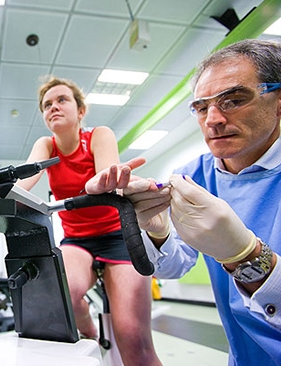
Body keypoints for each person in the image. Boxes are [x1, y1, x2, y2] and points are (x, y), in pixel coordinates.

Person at [86, 39, 281, 366]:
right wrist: (156, 230)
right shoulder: (192, 176)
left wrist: (249, 258)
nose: (213, 119)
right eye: (202, 107)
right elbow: (175, 266)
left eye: (233, 100)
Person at [16, 75, 162, 366]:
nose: (53, 107)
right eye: (47, 105)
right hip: (76, 240)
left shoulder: (99, 135)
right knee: (64, 299)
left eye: (62, 100)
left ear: (80, 111)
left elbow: (105, 172)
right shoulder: (46, 145)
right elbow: (24, 181)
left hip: (118, 236)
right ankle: (90, 332)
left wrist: (107, 181)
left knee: (133, 337)